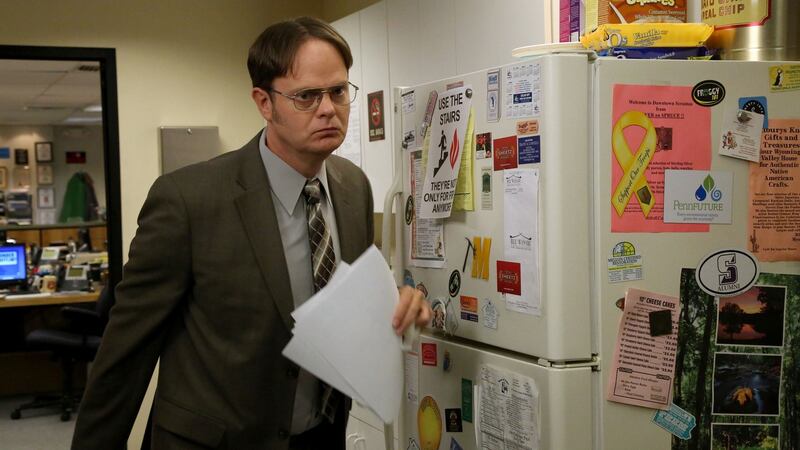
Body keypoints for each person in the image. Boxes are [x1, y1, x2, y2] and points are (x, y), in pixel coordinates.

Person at [71, 16, 431, 450]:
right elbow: (126, 354)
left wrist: (395, 305)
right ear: (264, 102)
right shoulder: (188, 200)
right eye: (306, 96)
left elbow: (344, 306)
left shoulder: (353, 187)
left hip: (322, 434)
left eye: (338, 91)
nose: (328, 109)